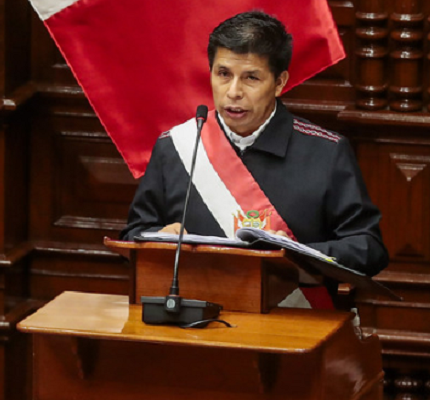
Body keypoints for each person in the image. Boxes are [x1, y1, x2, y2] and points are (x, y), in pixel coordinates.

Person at [120, 11, 388, 307]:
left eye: (251, 78)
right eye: (223, 74)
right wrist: (156, 240)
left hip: (294, 321)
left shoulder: (326, 151)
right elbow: (133, 236)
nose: (233, 92)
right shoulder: (177, 147)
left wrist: (295, 255)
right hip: (194, 319)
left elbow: (368, 249)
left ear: (279, 82)